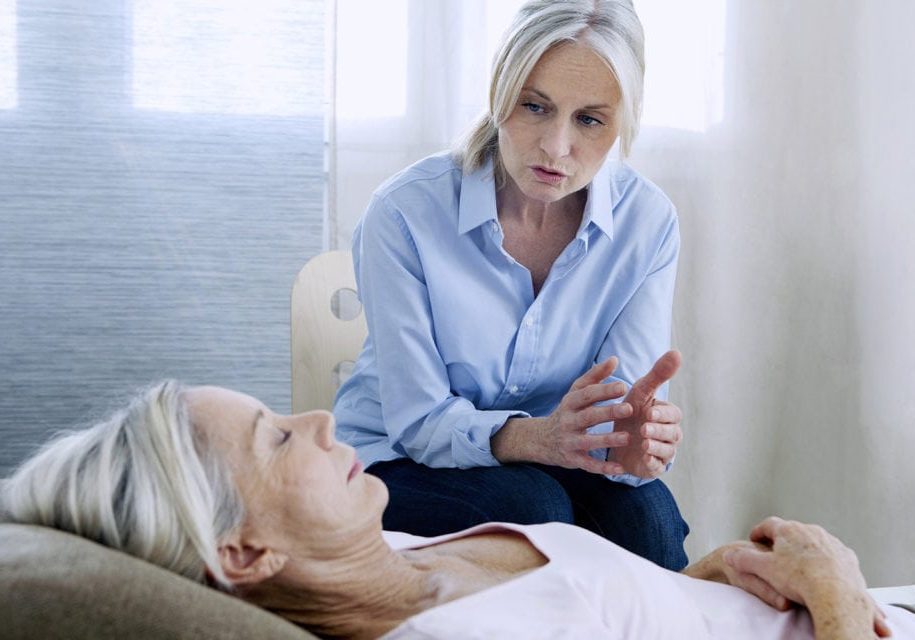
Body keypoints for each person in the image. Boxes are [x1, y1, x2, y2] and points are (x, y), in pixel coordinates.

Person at [2, 383, 910, 639]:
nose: (318, 418)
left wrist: (712, 576)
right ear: (241, 555)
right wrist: (830, 589)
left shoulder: (392, 550)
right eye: (278, 439)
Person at [332, 0, 689, 569]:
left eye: (590, 120)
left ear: (623, 123)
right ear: (500, 92)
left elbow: (617, 412)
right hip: (400, 459)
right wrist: (537, 438)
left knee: (646, 520)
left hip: (556, 460)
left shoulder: (648, 222)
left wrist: (633, 447)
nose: (556, 146)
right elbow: (420, 422)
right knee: (534, 507)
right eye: (534, 106)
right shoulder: (404, 213)